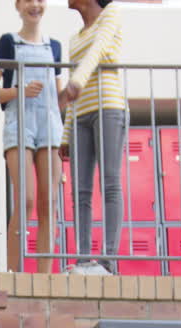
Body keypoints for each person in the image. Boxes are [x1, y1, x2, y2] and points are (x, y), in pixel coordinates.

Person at [0, 0, 66, 274]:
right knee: (26, 199)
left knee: (49, 201)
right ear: (17, 6)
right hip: (19, 124)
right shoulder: (7, 43)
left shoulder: (54, 47)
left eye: (40, 0)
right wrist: (19, 91)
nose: (35, 5)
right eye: (28, 0)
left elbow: (58, 97)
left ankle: (45, 278)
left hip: (50, 126)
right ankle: (15, 272)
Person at [61, 0, 125, 275]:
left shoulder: (111, 13)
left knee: (110, 183)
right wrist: (65, 133)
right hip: (80, 116)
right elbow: (73, 85)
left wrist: (75, 83)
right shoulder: (73, 38)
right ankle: (83, 259)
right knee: (80, 191)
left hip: (108, 107)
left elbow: (97, 51)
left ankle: (109, 259)